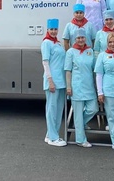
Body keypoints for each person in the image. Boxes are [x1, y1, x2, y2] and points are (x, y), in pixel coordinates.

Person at [65, 28, 98, 148]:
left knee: (93, 108)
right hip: (77, 86)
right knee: (78, 113)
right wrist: (69, 87)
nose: (80, 40)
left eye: (82, 37)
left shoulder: (90, 51)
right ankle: (80, 139)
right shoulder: (70, 52)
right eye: (78, 38)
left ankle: (80, 124)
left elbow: (94, 69)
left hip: (89, 85)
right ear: (75, 39)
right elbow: (68, 70)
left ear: (86, 38)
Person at [41, 18, 67, 147]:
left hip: (61, 81)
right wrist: (50, 80)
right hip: (52, 81)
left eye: (55, 29)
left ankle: (51, 134)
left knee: (59, 109)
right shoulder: (46, 43)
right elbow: (45, 62)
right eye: (51, 29)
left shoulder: (58, 43)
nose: (53, 31)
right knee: (51, 109)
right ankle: (53, 138)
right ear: (47, 30)